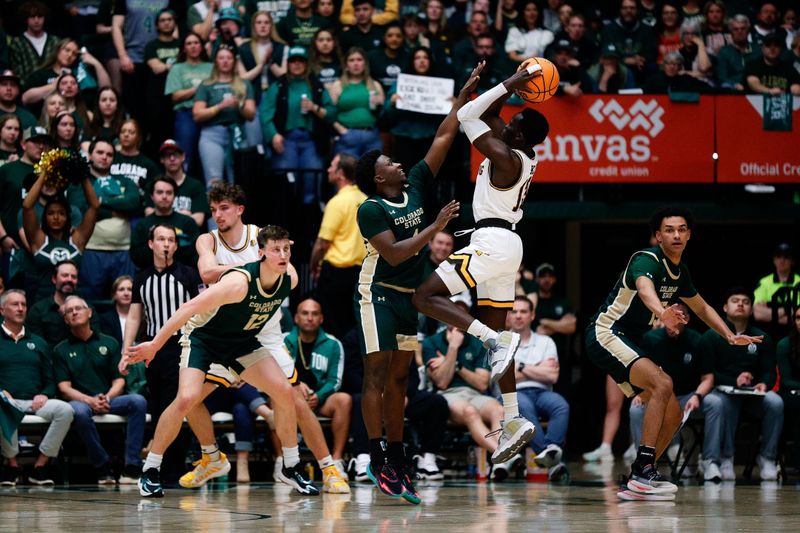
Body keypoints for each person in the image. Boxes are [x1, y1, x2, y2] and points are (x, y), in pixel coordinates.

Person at [351, 63, 478, 504]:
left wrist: (460, 100)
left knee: (402, 381)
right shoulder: (370, 209)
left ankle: (400, 454)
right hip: (378, 294)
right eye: (390, 162)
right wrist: (436, 225)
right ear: (378, 177)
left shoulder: (418, 184)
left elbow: (443, 136)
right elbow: (396, 253)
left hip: (410, 298)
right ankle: (375, 455)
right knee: (376, 374)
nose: (399, 162)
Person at [412, 64, 548, 467]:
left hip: (490, 241)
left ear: (517, 135)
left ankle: (490, 338)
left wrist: (507, 85)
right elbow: (488, 114)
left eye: (514, 121)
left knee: (425, 296)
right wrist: (503, 87)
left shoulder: (506, 156)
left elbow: (470, 116)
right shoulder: (517, 149)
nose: (506, 121)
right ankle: (512, 416)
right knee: (501, 338)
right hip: (507, 244)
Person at [127, 226, 319, 498]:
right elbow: (188, 308)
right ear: (261, 252)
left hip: (241, 342)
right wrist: (155, 345)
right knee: (187, 399)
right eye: (275, 249)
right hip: (205, 339)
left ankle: (291, 465)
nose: (283, 254)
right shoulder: (238, 282)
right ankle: (151, 468)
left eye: (286, 248)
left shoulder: (290, 277)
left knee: (285, 391)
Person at [584, 207, 762, 500]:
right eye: (669, 229)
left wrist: (729, 336)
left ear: (689, 234)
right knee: (663, 384)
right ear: (658, 236)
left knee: (675, 412)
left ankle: (637, 480)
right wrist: (662, 312)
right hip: (605, 332)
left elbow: (701, 307)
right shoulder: (645, 259)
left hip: (629, 340)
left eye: (681, 229)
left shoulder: (681, 273)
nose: (676, 234)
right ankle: (643, 469)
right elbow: (644, 289)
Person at [120, 223, 201, 487]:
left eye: (171, 240)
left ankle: (174, 470)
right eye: (161, 239)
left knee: (176, 406)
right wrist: (126, 348)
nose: (166, 244)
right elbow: (135, 315)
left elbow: (201, 311)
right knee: (157, 408)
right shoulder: (141, 277)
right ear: (151, 244)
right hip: (154, 349)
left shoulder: (188, 275)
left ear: (176, 246)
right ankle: (160, 467)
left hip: (183, 345)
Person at [54, 294, 148, 485]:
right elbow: (64, 387)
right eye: (69, 311)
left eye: (78, 308)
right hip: (80, 401)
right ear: (65, 319)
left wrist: (105, 398)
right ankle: (103, 466)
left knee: (138, 401)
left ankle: (132, 465)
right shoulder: (60, 350)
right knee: (79, 412)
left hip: (109, 398)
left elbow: (119, 381)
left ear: (89, 313)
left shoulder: (109, 343)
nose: (74, 312)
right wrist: (90, 401)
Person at [627, 302, 722, 482]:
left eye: (679, 316)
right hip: (659, 397)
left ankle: (711, 460)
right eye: (670, 315)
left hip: (688, 397)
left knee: (715, 403)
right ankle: (644, 463)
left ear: (686, 319)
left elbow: (708, 378)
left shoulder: (698, 341)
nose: (673, 320)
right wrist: (641, 393)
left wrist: (697, 396)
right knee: (635, 409)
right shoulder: (651, 339)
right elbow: (640, 373)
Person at [422, 301, 516, 481]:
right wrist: (453, 347)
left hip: (475, 394)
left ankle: (499, 461)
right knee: (469, 412)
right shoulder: (431, 343)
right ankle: (502, 455)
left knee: (498, 409)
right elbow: (442, 382)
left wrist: (455, 365)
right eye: (452, 314)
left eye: (461, 316)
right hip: (447, 396)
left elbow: (482, 384)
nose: (457, 319)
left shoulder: (479, 343)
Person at [704, 287, 782, 481]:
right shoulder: (712, 336)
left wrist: (764, 383)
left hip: (754, 394)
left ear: (751, 309)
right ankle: (726, 458)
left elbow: (769, 371)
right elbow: (707, 373)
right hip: (723, 392)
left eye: (746, 302)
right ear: (724, 307)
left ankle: (767, 457)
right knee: (722, 402)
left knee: (775, 402)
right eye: (735, 300)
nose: (740, 304)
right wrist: (734, 381)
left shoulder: (762, 337)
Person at [0, 289, 73, 487]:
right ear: (2, 309)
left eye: (23, 304)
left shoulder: (38, 342)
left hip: (34, 401)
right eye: (15, 304)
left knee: (65, 410)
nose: (21, 308)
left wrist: (45, 394)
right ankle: (12, 465)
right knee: (1, 404)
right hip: (6, 401)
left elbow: (50, 379)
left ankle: (40, 466)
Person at [259, 45, 335, 206]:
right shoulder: (278, 85)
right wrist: (273, 134)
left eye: (301, 61)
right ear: (288, 63)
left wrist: (314, 107)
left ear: (307, 64)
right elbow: (265, 114)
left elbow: (331, 113)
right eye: (293, 61)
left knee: (311, 186)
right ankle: (284, 227)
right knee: (285, 185)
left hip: (311, 142)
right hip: (286, 141)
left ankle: (309, 226)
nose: (297, 64)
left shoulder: (317, 86)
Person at [67, 138, 140, 301]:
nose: (104, 157)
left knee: (126, 299)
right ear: (90, 155)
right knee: (90, 299)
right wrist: (114, 212)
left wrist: (101, 202)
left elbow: (133, 202)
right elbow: (81, 209)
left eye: (109, 154)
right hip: (92, 250)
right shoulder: (81, 182)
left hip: (123, 250)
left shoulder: (124, 181)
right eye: (100, 152)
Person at [283, 299, 352, 471]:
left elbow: (335, 380)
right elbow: (273, 375)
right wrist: (296, 386)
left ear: (321, 319)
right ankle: (281, 461)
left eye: (314, 314)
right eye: (305, 313)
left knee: (344, 400)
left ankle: (336, 460)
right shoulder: (282, 342)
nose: (309, 318)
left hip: (320, 399)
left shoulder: (333, 344)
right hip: (290, 399)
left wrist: (319, 396)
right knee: (275, 399)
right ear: (296, 318)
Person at [508, 295, 569, 481]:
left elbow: (552, 375)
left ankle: (550, 448)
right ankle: (552, 459)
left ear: (532, 315)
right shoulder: (501, 343)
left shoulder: (546, 342)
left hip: (543, 391)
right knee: (523, 407)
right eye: (514, 311)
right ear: (508, 316)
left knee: (561, 405)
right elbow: (502, 378)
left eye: (523, 311)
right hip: (514, 393)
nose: (518, 316)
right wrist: (539, 368)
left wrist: (520, 366)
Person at [309, 153, 366, 339]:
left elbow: (322, 243)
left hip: (336, 273)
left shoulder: (337, 202)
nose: (328, 169)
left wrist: (313, 266)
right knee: (353, 325)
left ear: (340, 173)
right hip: (361, 273)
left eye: (332, 166)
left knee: (331, 327)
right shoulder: (366, 199)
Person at [21, 168, 99, 303]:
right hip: (43, 303)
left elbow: (94, 206)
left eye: (61, 213)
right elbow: (27, 206)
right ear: (44, 217)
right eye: (51, 213)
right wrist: (45, 173)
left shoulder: (77, 240)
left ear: (68, 218)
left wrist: (83, 175)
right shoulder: (38, 240)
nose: (56, 217)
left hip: (74, 303)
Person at [193, 43, 256, 188]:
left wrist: (239, 105)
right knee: (215, 182)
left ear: (234, 61)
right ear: (216, 61)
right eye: (221, 58)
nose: (225, 61)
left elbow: (251, 114)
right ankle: (216, 210)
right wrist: (219, 107)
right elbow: (197, 115)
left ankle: (238, 211)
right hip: (212, 135)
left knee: (239, 181)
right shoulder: (206, 85)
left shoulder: (244, 84)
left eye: (229, 58)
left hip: (238, 133)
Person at [164, 32, 212, 174]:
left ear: (202, 46)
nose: (193, 46)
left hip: (210, 114)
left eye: (196, 43)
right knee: (185, 155)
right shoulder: (177, 68)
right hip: (186, 114)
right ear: (184, 48)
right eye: (189, 43)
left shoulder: (211, 67)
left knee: (208, 158)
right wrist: (199, 89)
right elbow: (175, 96)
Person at [129, 176, 199, 269]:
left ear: (174, 196)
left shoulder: (187, 222)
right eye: (159, 192)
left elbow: (196, 255)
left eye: (169, 193)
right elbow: (136, 257)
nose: (164, 196)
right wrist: (154, 242)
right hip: (150, 275)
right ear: (152, 196)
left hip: (183, 275)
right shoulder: (143, 224)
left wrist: (177, 243)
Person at [26, 260, 100, 346]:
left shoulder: (86, 308)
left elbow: (97, 338)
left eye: (73, 277)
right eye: (65, 275)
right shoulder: (38, 310)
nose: (69, 279)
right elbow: (36, 345)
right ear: (54, 279)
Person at [328, 47, 384, 157]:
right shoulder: (337, 85)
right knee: (347, 173)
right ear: (346, 65)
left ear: (365, 63)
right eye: (351, 60)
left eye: (359, 60)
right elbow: (329, 113)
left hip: (371, 135)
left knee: (372, 173)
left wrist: (380, 104)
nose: (356, 63)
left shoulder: (375, 85)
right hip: (347, 135)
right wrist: (341, 129)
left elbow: (385, 114)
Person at [145, 139, 209, 227]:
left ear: (183, 157)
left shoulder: (196, 186)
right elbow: (148, 215)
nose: (172, 158)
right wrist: (184, 216)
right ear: (161, 159)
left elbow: (198, 220)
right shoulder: (153, 185)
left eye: (175, 154)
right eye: (168, 155)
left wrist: (163, 215)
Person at [142, 8, 180, 154]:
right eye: (162, 20)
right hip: (157, 96)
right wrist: (177, 67)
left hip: (178, 95)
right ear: (157, 25)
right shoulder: (152, 45)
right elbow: (156, 67)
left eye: (169, 20)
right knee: (158, 136)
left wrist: (167, 67)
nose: (166, 23)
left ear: (175, 23)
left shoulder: (182, 43)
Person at [600, 0, 658, 85]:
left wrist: (641, 58)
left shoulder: (646, 30)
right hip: (617, 68)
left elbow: (652, 53)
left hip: (640, 67)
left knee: (652, 67)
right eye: (625, 8)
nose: (628, 11)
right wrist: (626, 60)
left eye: (632, 8)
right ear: (620, 10)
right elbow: (607, 52)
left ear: (637, 11)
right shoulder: (609, 29)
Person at [754, 243, 800, 338]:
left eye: (786, 257)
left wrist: (768, 312)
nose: (782, 260)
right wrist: (788, 310)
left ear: (792, 261)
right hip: (768, 334)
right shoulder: (764, 282)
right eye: (778, 257)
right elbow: (757, 314)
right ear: (774, 260)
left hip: (796, 334)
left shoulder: (799, 281)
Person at [9, 2, 60, 81]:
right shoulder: (17, 43)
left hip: (53, 87)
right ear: (26, 19)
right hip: (27, 89)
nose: (36, 20)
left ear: (44, 18)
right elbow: (16, 72)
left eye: (40, 16)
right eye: (32, 17)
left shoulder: (55, 41)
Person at [776, 307, 800, 472]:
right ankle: (795, 460)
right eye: (798, 318)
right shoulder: (785, 345)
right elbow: (786, 380)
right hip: (791, 392)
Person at [111, 119, 160, 195]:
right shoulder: (110, 159)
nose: (126, 135)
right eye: (123, 132)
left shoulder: (148, 165)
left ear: (138, 137)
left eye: (131, 132)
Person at [715, 15, 761, 93]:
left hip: (756, 87)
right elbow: (722, 77)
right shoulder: (724, 51)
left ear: (748, 30)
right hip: (732, 88)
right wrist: (734, 85)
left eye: (743, 29)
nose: (740, 32)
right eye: (736, 29)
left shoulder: (758, 49)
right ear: (731, 32)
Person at [100, 275, 133, 345]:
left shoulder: (143, 318)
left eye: (130, 289)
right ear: (114, 295)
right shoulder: (105, 319)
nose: (126, 293)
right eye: (121, 289)